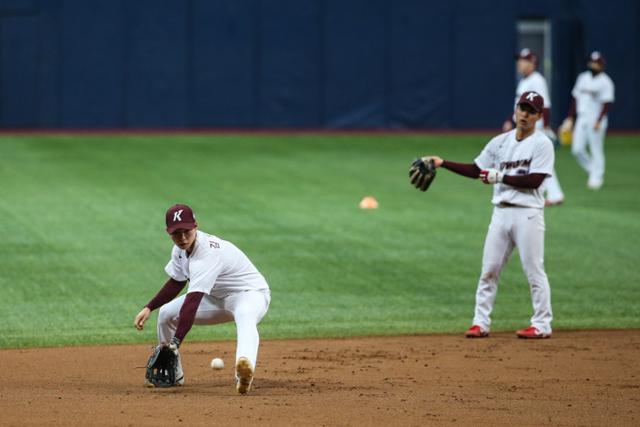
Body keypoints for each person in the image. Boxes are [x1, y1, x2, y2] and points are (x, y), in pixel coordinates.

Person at [421, 91, 554, 339]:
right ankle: (480, 322)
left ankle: (542, 324)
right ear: (516, 110)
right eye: (522, 108)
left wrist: (500, 176)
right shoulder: (500, 142)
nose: (524, 114)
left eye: (531, 111)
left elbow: (535, 180)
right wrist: (442, 162)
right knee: (489, 270)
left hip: (528, 215)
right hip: (501, 214)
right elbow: (475, 169)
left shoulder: (542, 144)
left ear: (538, 116)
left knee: (534, 271)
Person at [134, 204, 271, 393]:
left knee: (245, 316)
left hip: (250, 294)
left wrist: (176, 342)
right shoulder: (179, 250)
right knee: (166, 314)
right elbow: (176, 281)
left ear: (195, 226)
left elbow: (192, 302)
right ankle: (174, 374)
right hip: (216, 298)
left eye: (186, 232)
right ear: (168, 233)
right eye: (176, 233)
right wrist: (150, 307)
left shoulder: (207, 253)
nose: (182, 238)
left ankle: (244, 373)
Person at [503, 48, 565, 206]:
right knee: (535, 160)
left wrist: (545, 127)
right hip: (525, 126)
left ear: (532, 63)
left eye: (523, 60)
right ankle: (554, 194)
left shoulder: (537, 80)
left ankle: (552, 194)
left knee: (536, 160)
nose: (519, 63)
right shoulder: (525, 81)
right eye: (519, 60)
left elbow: (546, 106)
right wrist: (510, 119)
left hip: (535, 127)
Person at [560, 51, 615, 190]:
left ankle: (597, 176)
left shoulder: (606, 81)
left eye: (597, 62)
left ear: (602, 65)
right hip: (582, 117)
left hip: (596, 119)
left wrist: (599, 120)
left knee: (596, 148)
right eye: (592, 62)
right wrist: (570, 118)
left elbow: (606, 103)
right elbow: (575, 99)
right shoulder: (583, 78)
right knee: (577, 149)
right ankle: (593, 169)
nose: (594, 65)